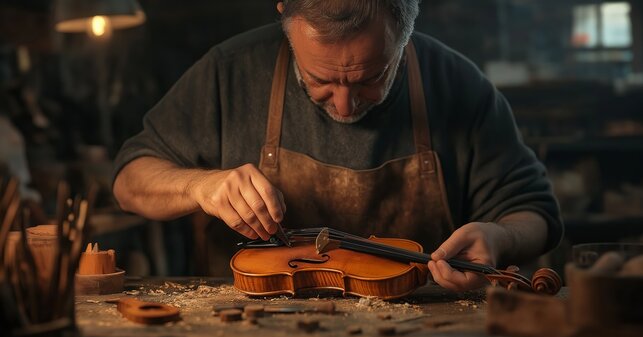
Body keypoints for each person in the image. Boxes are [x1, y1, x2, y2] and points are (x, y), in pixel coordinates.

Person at [113, 0, 563, 291]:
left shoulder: (459, 85)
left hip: (421, 333)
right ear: (286, 17)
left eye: (371, 78)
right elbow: (130, 181)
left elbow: (536, 212)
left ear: (404, 29)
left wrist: (500, 238)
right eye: (321, 80)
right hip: (250, 333)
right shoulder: (228, 73)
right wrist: (199, 186)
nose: (345, 106)